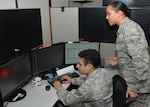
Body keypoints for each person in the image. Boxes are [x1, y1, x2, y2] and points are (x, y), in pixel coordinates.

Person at [105, 1, 150, 107]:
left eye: (109, 14)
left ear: (119, 13)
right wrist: (120, 60)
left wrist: (134, 88)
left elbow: (141, 62)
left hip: (139, 87)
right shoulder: (124, 29)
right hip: (133, 83)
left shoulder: (130, 30)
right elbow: (132, 56)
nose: (107, 17)